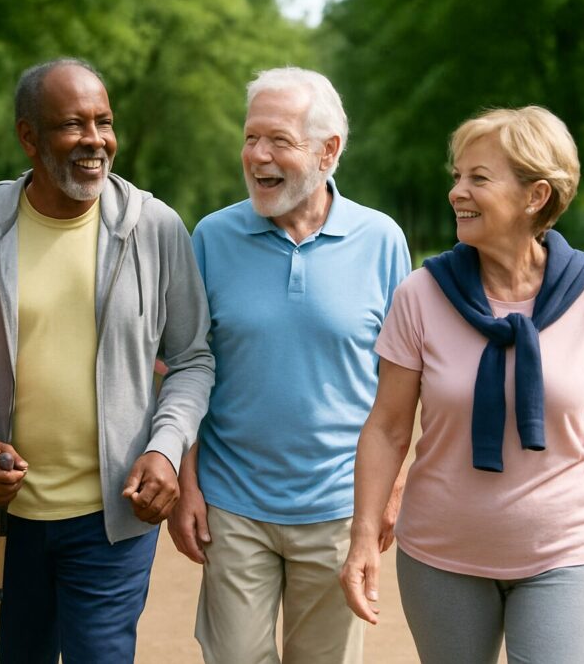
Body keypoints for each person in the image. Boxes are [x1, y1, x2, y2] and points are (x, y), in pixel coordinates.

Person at [341, 106, 584, 662]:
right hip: (441, 556)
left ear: (534, 196)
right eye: (456, 177)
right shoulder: (421, 295)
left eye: (478, 178)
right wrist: (362, 538)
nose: (456, 192)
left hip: (568, 552)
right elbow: (388, 427)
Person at [0, 58, 214, 663]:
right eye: (72, 124)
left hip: (113, 517)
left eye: (104, 121)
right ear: (28, 137)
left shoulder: (156, 228)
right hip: (9, 519)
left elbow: (192, 359)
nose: (95, 140)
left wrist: (165, 448)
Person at [170, 67, 410, 664]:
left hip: (339, 507)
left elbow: (406, 381)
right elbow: (189, 365)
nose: (257, 156)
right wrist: (187, 482)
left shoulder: (382, 241)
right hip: (232, 506)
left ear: (329, 151)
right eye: (251, 139)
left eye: (278, 140)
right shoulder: (212, 237)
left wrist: (394, 487)